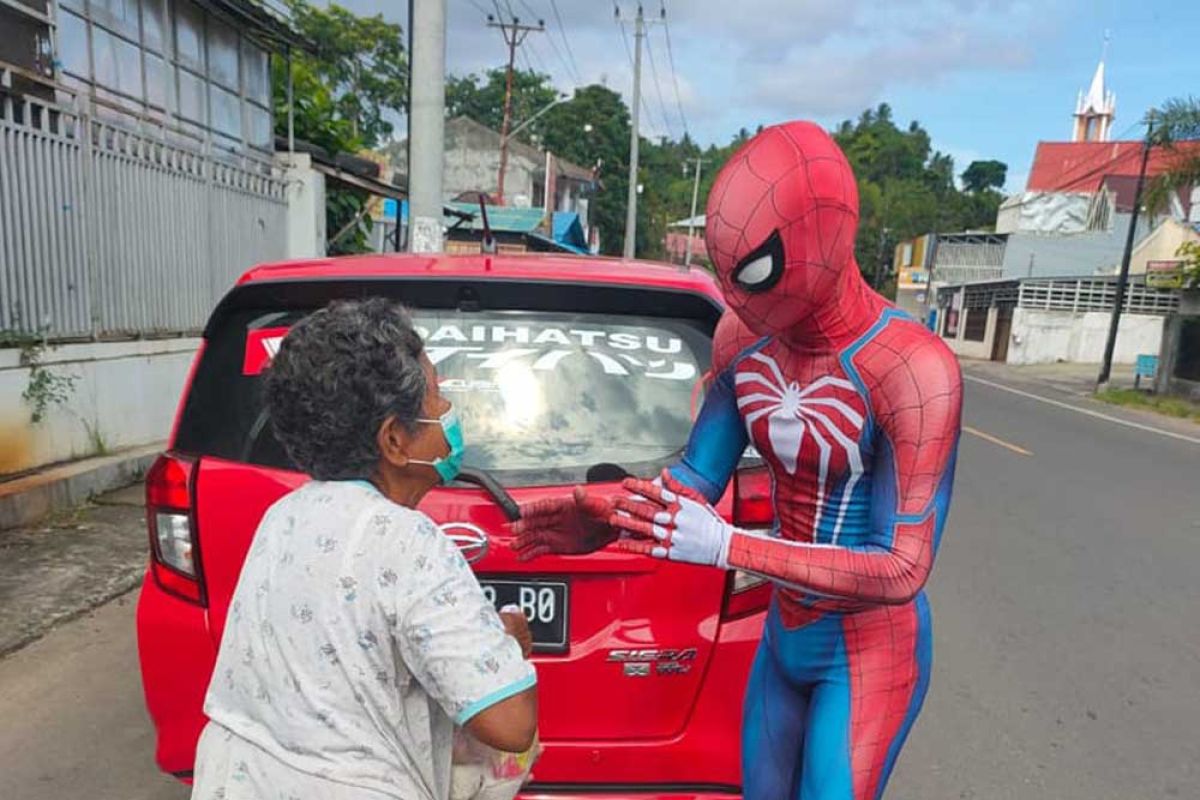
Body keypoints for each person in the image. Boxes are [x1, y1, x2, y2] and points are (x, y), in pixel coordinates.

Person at [512, 121, 962, 800]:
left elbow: (902, 565)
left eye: (752, 277)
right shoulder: (741, 335)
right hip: (786, 636)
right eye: (727, 280)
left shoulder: (911, 369)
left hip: (869, 647)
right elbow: (696, 477)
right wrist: (618, 517)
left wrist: (732, 545)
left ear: (826, 239)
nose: (741, 303)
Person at [191, 298, 538, 800]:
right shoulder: (408, 542)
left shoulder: (282, 517)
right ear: (395, 440)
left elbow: (346, 657)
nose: (448, 414)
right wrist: (503, 648)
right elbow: (510, 724)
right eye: (438, 400)